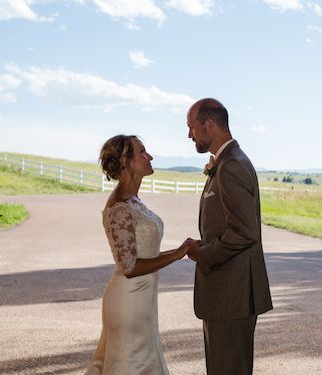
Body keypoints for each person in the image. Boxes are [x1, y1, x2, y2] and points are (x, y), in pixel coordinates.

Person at [85, 134, 200, 375]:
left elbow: (146, 254)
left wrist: (183, 249)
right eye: (142, 152)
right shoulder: (119, 207)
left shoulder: (134, 201)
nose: (150, 157)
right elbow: (129, 267)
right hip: (129, 302)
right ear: (125, 162)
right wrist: (179, 253)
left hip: (143, 300)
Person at [186, 98, 273, 375]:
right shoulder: (226, 161)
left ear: (209, 124)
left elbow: (244, 231)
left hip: (231, 294)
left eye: (192, 127)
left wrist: (203, 254)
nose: (190, 135)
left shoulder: (232, 165)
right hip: (229, 294)